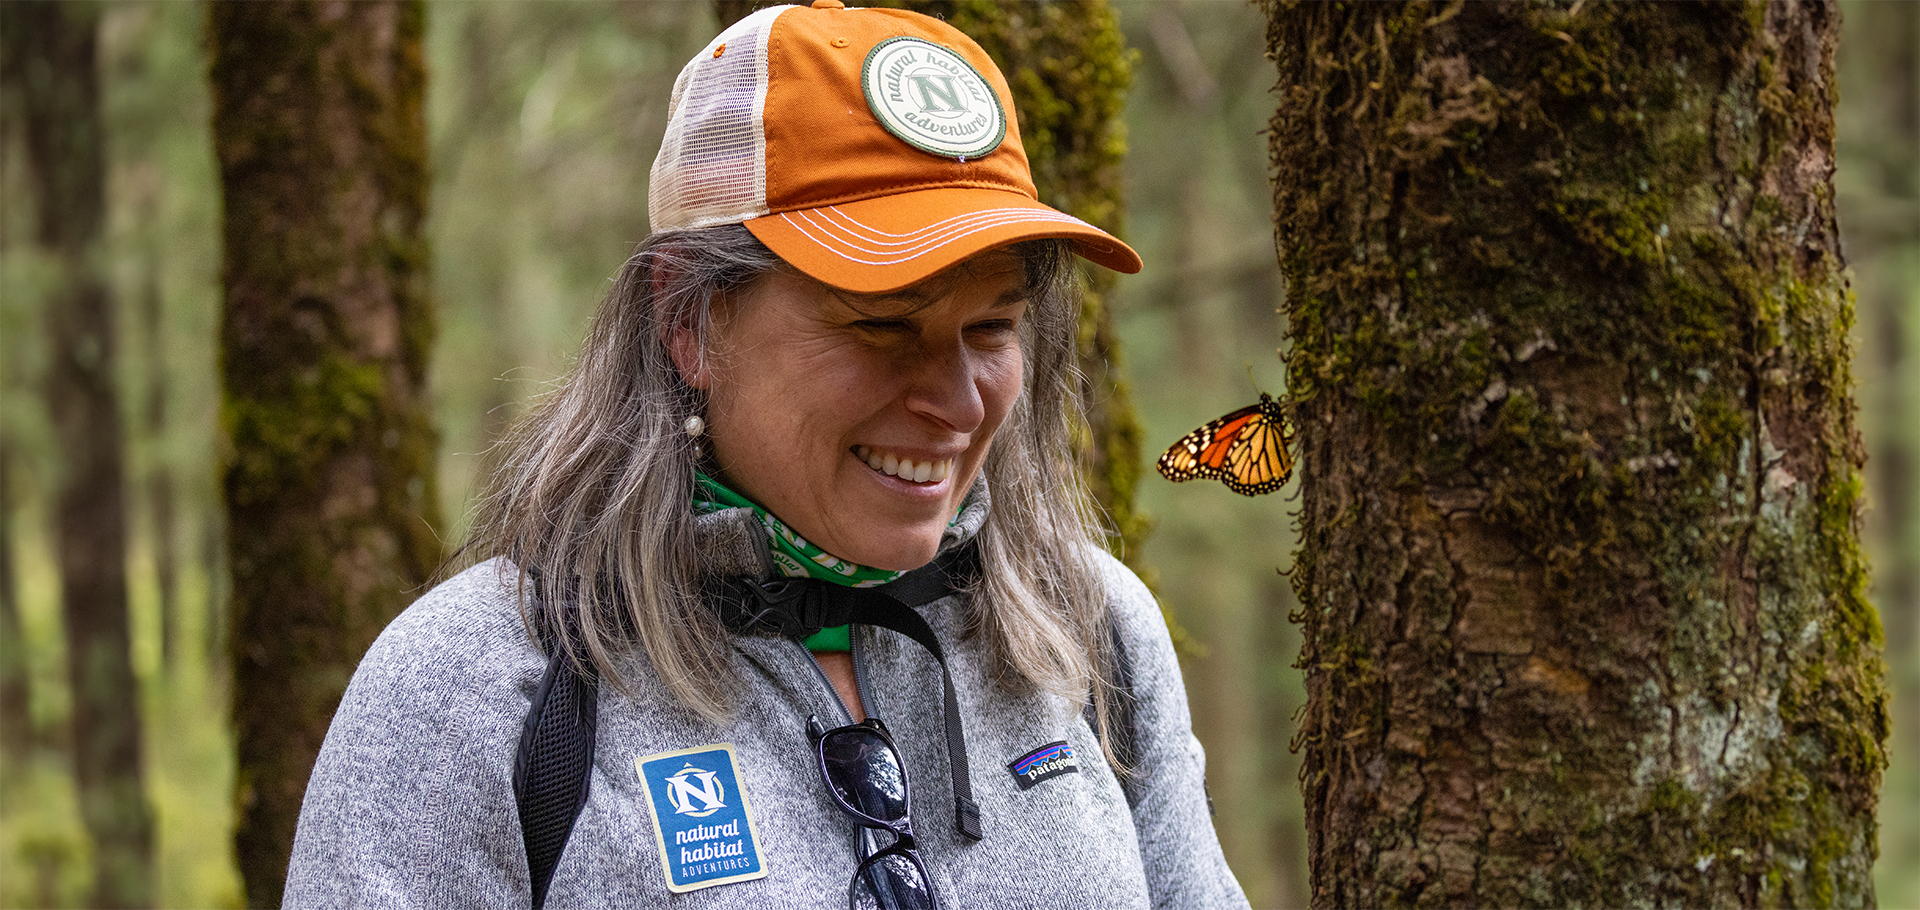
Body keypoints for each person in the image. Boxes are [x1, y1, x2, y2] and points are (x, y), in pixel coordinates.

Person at [284, 3, 1249, 908]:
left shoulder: (1089, 631)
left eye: (991, 328)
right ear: (688, 322)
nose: (956, 402)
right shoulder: (484, 693)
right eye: (882, 326)